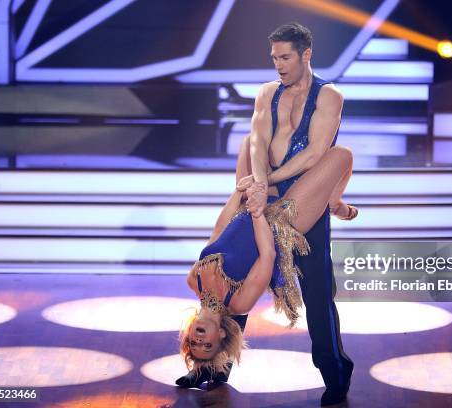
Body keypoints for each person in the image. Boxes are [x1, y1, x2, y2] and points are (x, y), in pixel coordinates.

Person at [177, 22, 356, 406]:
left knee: (318, 292)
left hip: (302, 199)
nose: (278, 65)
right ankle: (211, 368)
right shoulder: (267, 93)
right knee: (233, 279)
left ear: (306, 55)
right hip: (265, 191)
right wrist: (258, 183)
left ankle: (336, 372)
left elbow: (315, 153)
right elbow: (257, 141)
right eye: (274, 57)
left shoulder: (329, 97)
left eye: (285, 57)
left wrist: (266, 180)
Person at [179, 145, 354, 376]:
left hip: (248, 208)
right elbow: (268, 255)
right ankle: (333, 202)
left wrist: (238, 193)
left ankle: (330, 202)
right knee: (342, 156)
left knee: (251, 141)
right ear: (221, 335)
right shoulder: (239, 303)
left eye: (194, 343)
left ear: (189, 333)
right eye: (207, 345)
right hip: (283, 222)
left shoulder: (194, 281)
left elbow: (219, 231)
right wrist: (258, 211)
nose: (200, 340)